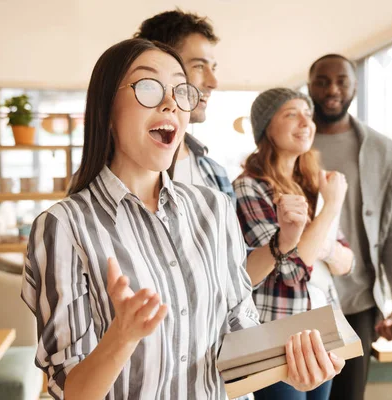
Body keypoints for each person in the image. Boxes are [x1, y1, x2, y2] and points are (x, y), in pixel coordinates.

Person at [21, 38, 344, 400]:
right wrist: (121, 337)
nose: (170, 102)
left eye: (180, 90)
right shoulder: (63, 227)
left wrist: (293, 372)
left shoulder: (215, 209)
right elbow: (71, 390)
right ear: (106, 110)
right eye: (147, 87)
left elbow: (240, 333)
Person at [134, 10, 304, 287]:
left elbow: (236, 276)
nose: (213, 82)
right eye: (199, 66)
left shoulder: (214, 174)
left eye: (212, 67)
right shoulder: (113, 175)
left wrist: (284, 241)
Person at [234, 88, 355, 400]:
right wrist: (331, 206)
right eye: (291, 114)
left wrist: (321, 245)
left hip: (322, 329)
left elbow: (346, 263)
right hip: (277, 333)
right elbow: (290, 270)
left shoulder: (315, 184)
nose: (306, 121)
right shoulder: (249, 187)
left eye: (308, 114)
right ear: (265, 128)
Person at [308, 54, 392, 400]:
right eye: (322, 81)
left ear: (355, 86)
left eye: (342, 80)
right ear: (309, 86)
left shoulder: (385, 151)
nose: (332, 89)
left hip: (357, 305)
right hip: (297, 304)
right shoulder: (291, 143)